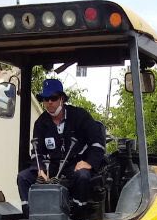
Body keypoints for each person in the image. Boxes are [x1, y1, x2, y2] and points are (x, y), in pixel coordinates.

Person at [16, 78, 106, 213]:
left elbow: (98, 142)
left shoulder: (80, 116)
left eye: (53, 98)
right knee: (23, 177)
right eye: (45, 99)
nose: (49, 102)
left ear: (62, 99)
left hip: (74, 165)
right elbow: (37, 151)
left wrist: (89, 162)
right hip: (50, 167)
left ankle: (77, 214)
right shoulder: (40, 123)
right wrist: (40, 169)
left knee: (83, 176)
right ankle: (31, 216)